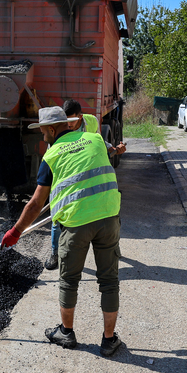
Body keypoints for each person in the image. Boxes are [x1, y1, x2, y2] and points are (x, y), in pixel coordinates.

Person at [1, 106, 122, 356]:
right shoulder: (95, 138)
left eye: (43, 130)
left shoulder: (52, 155)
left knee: (69, 280)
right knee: (109, 281)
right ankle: (109, 340)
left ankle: (66, 333)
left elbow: (36, 204)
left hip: (76, 223)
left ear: (53, 129)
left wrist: (15, 231)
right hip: (109, 218)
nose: (41, 134)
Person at [42, 100, 126, 271]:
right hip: (66, 173)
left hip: (86, 172)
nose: (67, 125)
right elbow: (54, 154)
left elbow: (98, 143)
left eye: (71, 121)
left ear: (79, 117)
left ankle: (112, 247)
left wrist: (114, 149)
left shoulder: (91, 122)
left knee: (105, 211)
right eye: (65, 121)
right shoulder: (57, 128)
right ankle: (55, 253)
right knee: (57, 216)